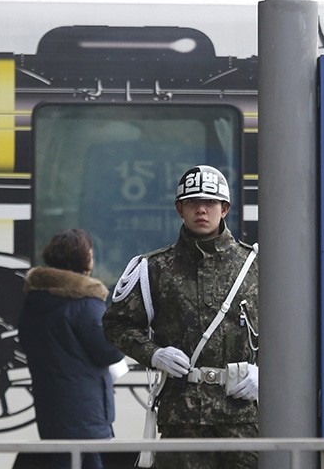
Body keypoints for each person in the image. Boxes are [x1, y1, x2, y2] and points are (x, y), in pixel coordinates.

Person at [103, 165, 259, 469]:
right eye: (192, 202)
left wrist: (266, 376)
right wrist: (154, 354)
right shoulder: (154, 268)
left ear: (224, 209)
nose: (201, 209)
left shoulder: (255, 266)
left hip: (242, 416)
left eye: (210, 203)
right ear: (180, 209)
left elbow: (288, 334)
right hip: (182, 416)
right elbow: (116, 324)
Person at [18, 228, 124, 469]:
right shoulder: (85, 304)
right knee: (89, 461)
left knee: (65, 461)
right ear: (84, 258)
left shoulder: (34, 300)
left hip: (50, 405)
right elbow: (109, 351)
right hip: (84, 410)